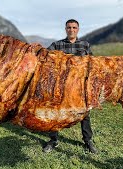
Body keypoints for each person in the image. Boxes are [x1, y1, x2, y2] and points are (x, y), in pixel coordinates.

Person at [43, 19, 97, 154]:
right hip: (61, 86)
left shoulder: (84, 45)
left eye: (74, 27)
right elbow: (44, 57)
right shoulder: (57, 45)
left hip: (79, 86)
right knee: (55, 112)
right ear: (65, 29)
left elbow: (93, 64)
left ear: (78, 29)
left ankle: (88, 140)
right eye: (69, 27)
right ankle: (53, 140)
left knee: (84, 114)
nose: (71, 30)